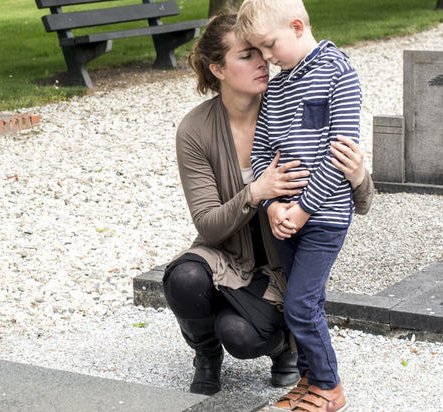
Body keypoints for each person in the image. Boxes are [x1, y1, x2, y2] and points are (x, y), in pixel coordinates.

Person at [165, 14, 374, 400]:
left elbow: (361, 202)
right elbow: (208, 226)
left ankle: (284, 349)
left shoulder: (285, 102)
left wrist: (359, 174)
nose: (263, 61)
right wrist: (256, 192)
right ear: (218, 69)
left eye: (263, 50)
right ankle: (206, 356)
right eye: (247, 55)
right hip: (225, 254)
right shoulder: (195, 129)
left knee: (240, 334)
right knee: (184, 278)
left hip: (279, 262)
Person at [235, 0, 363, 410]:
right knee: (306, 301)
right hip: (284, 219)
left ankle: (329, 388)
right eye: (258, 50)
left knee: (300, 305)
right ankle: (308, 380)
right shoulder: (277, 87)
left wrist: (303, 208)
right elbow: (260, 154)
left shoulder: (338, 72)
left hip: (323, 216)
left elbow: (340, 156)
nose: (266, 57)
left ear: (295, 27)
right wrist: (272, 206)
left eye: (269, 45)